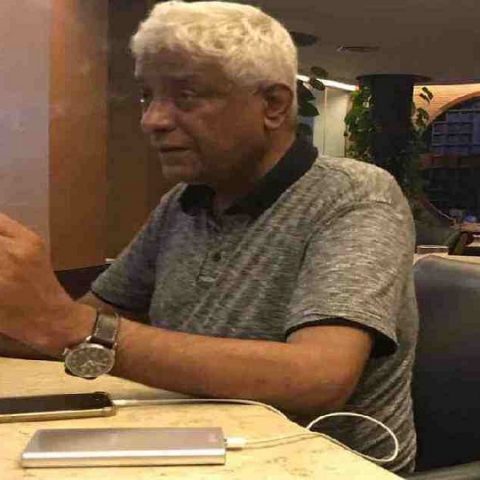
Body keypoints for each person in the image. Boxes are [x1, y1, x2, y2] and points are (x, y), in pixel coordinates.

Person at [0, 1, 418, 473]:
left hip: (325, 464)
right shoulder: (182, 202)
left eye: (187, 96)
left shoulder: (355, 195)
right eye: (147, 96)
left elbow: (318, 377)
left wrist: (67, 325)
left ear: (274, 106)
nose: (152, 120)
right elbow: (91, 318)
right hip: (192, 445)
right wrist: (30, 312)